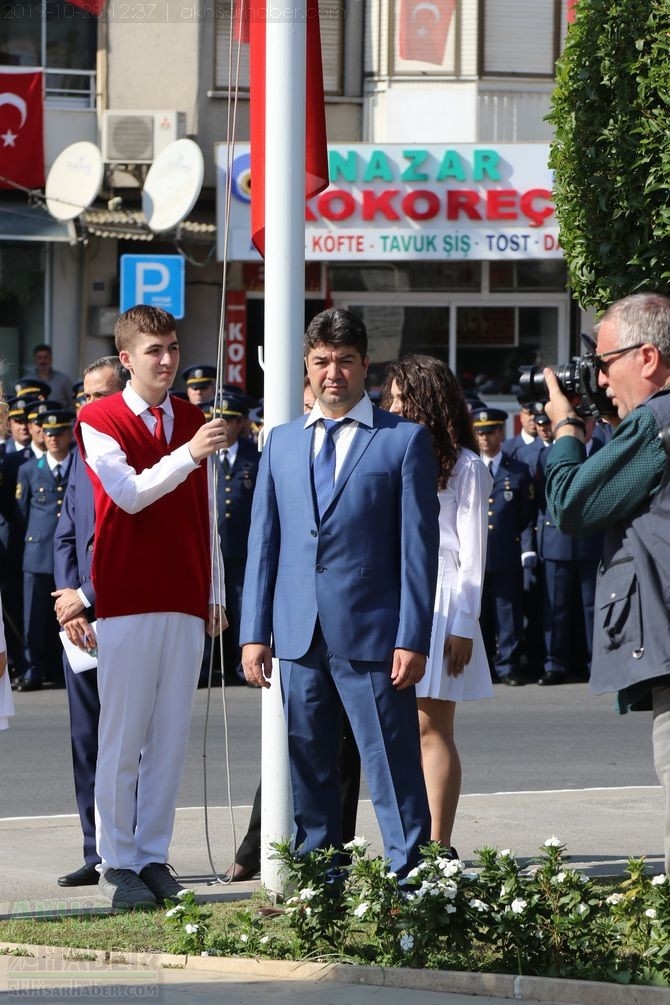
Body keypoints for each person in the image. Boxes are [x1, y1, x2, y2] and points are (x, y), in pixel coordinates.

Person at [240, 307, 439, 880]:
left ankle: (413, 885)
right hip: (298, 636)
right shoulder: (279, 442)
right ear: (307, 365)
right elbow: (263, 547)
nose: (334, 373)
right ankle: (321, 890)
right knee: (310, 767)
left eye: (345, 361)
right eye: (322, 361)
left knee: (391, 766)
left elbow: (418, 553)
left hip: (375, 636)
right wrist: (255, 634)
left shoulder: (403, 441)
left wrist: (412, 636)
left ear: (364, 366)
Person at [75, 305, 228, 910]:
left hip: (186, 594)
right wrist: (188, 453)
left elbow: (207, 512)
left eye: (172, 348)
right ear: (126, 359)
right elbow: (128, 496)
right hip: (128, 594)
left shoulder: (192, 417)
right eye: (154, 352)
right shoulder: (99, 418)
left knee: (168, 735)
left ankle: (152, 855)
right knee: (122, 734)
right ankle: (116, 860)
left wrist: (215, 589)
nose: (167, 361)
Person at [543, 292, 670, 873]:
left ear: (647, 357)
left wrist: (567, 427)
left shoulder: (656, 423)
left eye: (603, 360)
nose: (595, 376)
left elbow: (571, 504)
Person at [383, 355, 493, 853]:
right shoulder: (390, 450)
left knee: (432, 725)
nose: (392, 403)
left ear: (426, 398)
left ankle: (437, 845)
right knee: (396, 728)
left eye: (402, 395)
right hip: (393, 592)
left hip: (445, 595)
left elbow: (473, 553)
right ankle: (407, 841)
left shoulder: (466, 466)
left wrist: (464, 624)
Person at [52, 356, 127, 887]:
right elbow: (64, 536)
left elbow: (130, 544)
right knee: (87, 739)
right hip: (78, 623)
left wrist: (88, 596)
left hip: (126, 611)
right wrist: (68, 604)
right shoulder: (80, 455)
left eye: (97, 396)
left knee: (130, 741)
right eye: (82, 396)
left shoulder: (131, 452)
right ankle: (94, 849)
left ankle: (131, 850)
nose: (86, 406)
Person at [472, 407, 535, 687]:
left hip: (506, 553)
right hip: (476, 556)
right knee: (480, 614)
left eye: (489, 432)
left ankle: (508, 664)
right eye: (479, 433)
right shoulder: (468, 466)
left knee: (507, 614)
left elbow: (525, 513)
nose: (484, 439)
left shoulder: (518, 470)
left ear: (501, 433)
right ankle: (483, 665)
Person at [14, 408, 74, 692]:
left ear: (69, 433)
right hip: (37, 555)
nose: (53, 438)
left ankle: (64, 667)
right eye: (48, 433)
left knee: (68, 617)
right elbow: (21, 514)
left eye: (59, 432)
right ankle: (32, 669)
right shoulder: (29, 470)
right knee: (34, 618)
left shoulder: (78, 465)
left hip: (68, 557)